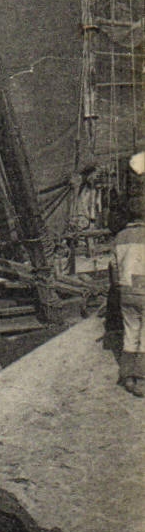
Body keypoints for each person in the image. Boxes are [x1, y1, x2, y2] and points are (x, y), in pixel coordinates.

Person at [115, 156, 145, 398]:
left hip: (125, 290)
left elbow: (115, 267)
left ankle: (126, 376)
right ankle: (141, 381)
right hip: (144, 288)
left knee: (130, 333)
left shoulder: (120, 237)